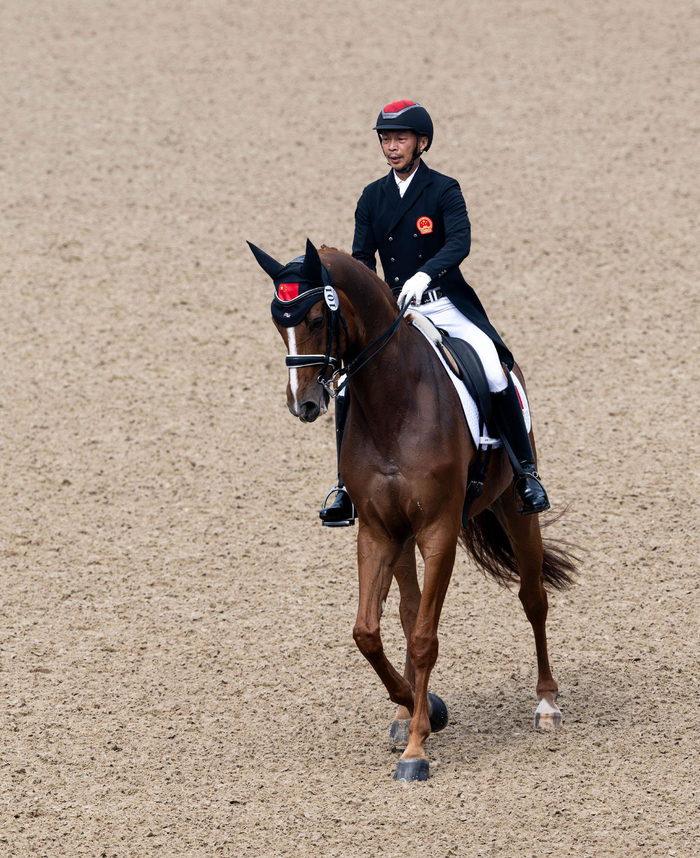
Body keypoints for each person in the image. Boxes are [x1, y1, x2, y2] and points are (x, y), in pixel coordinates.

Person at [319, 100, 549, 526]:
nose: (392, 146)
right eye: (386, 139)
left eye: (400, 138)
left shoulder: (443, 189)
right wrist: (375, 295)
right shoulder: (372, 196)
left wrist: (425, 275)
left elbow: (458, 242)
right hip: (396, 312)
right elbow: (362, 257)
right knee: (350, 381)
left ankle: (524, 474)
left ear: (421, 143)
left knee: (495, 369)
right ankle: (343, 488)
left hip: (444, 302)